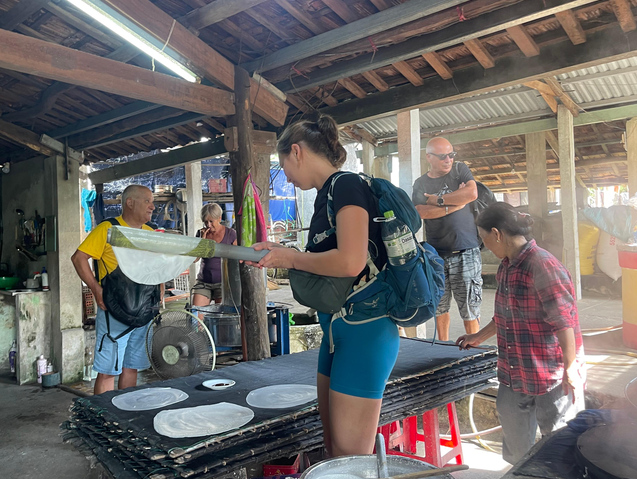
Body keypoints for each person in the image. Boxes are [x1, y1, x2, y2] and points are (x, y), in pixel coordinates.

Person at [247, 115, 398, 457]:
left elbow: (350, 261)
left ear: (296, 152)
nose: (284, 175)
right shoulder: (324, 196)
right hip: (336, 331)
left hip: (365, 329)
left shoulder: (346, 186)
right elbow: (326, 262)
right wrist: (280, 254)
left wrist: (292, 259)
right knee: (332, 453)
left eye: (282, 164)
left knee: (350, 461)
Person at [457, 202, 585, 464]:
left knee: (560, 444)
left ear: (497, 234)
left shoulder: (542, 265)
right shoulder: (507, 265)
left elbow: (564, 322)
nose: (485, 246)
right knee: (517, 449)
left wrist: (571, 367)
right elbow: (505, 314)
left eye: (484, 239)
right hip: (515, 372)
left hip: (550, 374)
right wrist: (479, 336)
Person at [71, 185, 156, 395]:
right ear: (130, 203)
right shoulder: (108, 229)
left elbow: (158, 265)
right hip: (114, 311)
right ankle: (103, 420)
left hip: (144, 311)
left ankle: (124, 414)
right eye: (147, 201)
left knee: (131, 366)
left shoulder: (151, 233)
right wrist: (96, 289)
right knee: (108, 370)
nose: (152, 206)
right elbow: (78, 258)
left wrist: (160, 291)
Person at [412, 137, 482, 341]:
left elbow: (471, 193)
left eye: (451, 154)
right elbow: (421, 212)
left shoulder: (460, 169)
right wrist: (455, 204)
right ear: (429, 158)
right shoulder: (420, 183)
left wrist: (438, 200)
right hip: (436, 255)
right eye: (442, 156)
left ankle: (474, 350)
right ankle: (444, 347)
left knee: (469, 306)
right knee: (440, 306)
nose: (448, 159)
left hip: (466, 251)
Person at [191, 203, 237, 308]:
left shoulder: (231, 234)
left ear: (219, 218)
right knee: (196, 313)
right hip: (204, 282)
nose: (208, 225)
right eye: (205, 222)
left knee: (222, 317)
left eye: (211, 221)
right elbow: (195, 259)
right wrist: (202, 240)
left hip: (223, 283)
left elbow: (237, 259)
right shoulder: (201, 233)